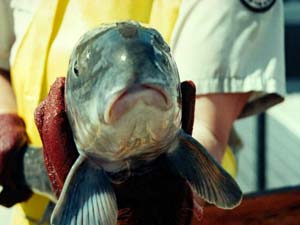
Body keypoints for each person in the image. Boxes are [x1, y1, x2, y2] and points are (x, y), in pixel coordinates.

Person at [0, 0, 285, 224]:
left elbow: (207, 129)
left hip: (191, 217)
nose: (131, 75)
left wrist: (168, 198)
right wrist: (6, 133)